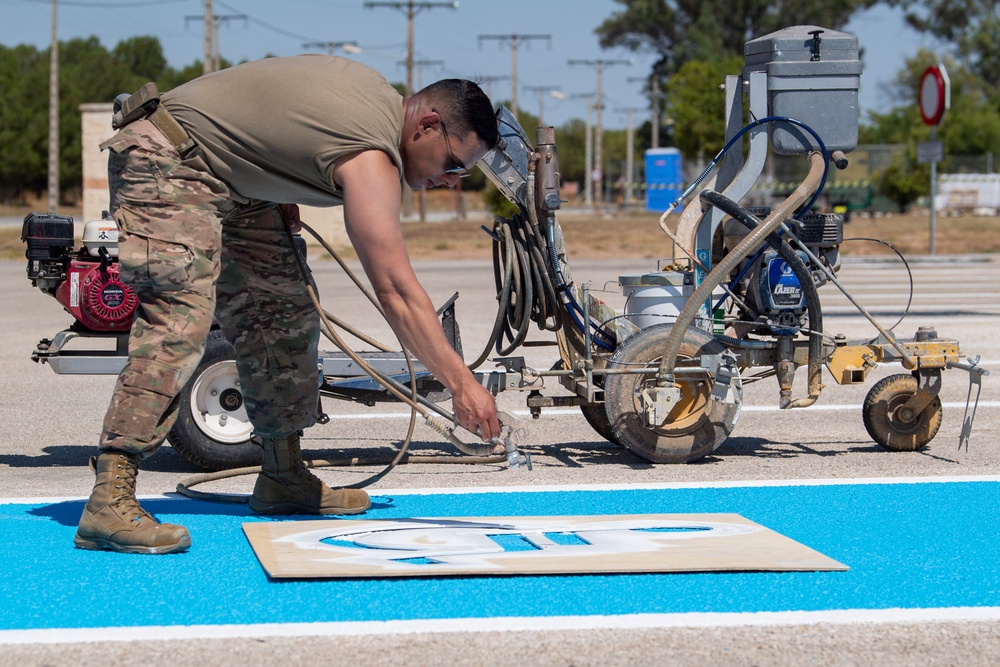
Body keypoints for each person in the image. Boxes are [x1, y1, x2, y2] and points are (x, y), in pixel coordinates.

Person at [73, 55, 502, 555]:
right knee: (179, 317)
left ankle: (282, 476)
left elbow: (271, 116)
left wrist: (273, 176)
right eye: (454, 165)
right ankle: (110, 496)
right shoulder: (370, 154)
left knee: (283, 313)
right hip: (170, 157)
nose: (452, 181)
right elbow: (396, 292)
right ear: (427, 125)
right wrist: (461, 384)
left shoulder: (376, 101)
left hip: (237, 183)